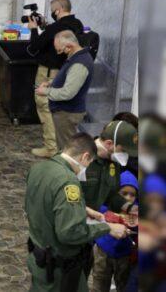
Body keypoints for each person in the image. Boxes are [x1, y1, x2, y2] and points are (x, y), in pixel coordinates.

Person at [25, 132, 129, 291]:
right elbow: (70, 232)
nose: (86, 169)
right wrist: (108, 228)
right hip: (60, 270)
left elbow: (45, 201)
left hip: (39, 258)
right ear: (85, 157)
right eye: (89, 163)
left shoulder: (39, 168)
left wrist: (82, 208)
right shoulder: (68, 181)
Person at [27, 0, 84, 158]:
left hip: (48, 72)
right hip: (66, 72)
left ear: (57, 10)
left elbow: (34, 47)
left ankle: (51, 148)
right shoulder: (77, 24)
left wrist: (33, 29)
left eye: (53, 10)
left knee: (45, 107)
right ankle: (64, 147)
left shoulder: (56, 28)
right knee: (60, 111)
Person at [35, 30, 93, 151]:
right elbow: (69, 77)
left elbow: (68, 93)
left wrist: (46, 92)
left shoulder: (79, 64)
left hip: (68, 113)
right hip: (66, 112)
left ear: (70, 46)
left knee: (67, 150)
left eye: (60, 50)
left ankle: (66, 169)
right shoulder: (76, 58)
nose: (59, 53)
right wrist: (51, 83)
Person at [91, 171, 138, 292]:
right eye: (123, 193)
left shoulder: (136, 211)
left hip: (125, 254)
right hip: (103, 250)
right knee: (99, 283)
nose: (128, 198)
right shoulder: (103, 207)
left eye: (132, 195)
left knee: (123, 285)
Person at [84, 120, 139, 214]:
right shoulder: (83, 158)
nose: (126, 155)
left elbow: (111, 194)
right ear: (109, 143)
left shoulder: (113, 162)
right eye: (123, 150)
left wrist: (128, 207)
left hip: (99, 221)